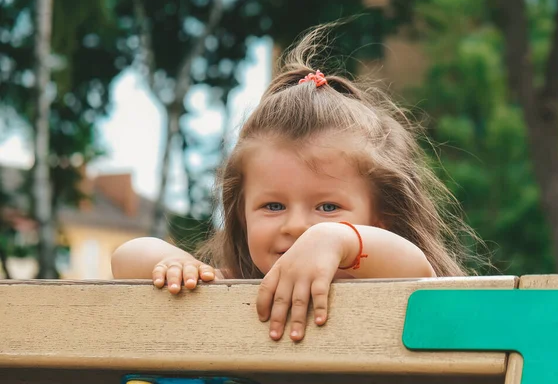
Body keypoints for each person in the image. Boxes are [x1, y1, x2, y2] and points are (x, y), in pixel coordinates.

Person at [111, 25, 478, 343]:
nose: (298, 227)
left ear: (381, 219)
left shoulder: (393, 279)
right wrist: (175, 262)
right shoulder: (227, 287)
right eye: (273, 206)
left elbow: (418, 270)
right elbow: (127, 258)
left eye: (328, 207)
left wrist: (337, 240)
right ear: (240, 216)